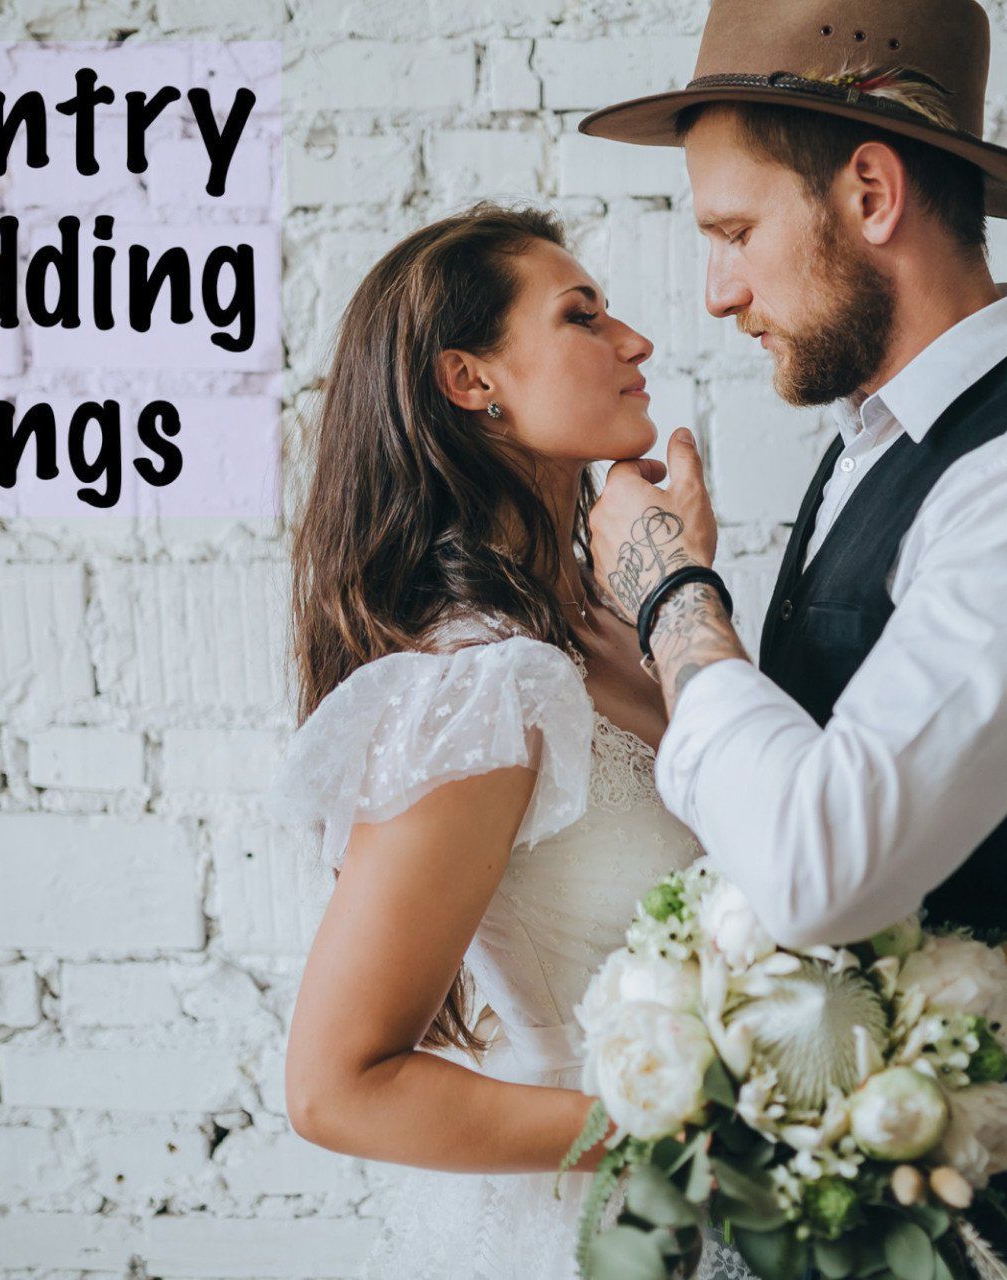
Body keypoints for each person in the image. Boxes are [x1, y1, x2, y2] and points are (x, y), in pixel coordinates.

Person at [577, 0, 1007, 1274]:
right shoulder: (876, 449)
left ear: (870, 189)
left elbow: (827, 866)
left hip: (977, 1203)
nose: (717, 294)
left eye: (735, 232)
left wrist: (672, 595)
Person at [272, 203, 767, 1279]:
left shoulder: (609, 620)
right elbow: (334, 1083)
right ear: (471, 380)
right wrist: (675, 1134)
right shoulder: (477, 682)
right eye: (583, 316)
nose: (634, 340)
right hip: (597, 1230)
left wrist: (682, 593)